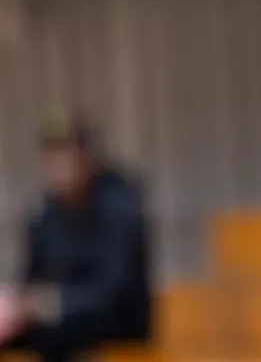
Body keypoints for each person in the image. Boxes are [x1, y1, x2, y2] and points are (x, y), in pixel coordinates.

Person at [0, 114, 151, 362]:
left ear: (87, 158)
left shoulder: (118, 202)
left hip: (116, 318)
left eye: (65, 154)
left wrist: (54, 302)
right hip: (56, 316)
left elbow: (114, 287)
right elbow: (33, 275)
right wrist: (20, 303)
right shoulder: (46, 212)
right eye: (51, 157)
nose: (57, 167)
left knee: (55, 334)